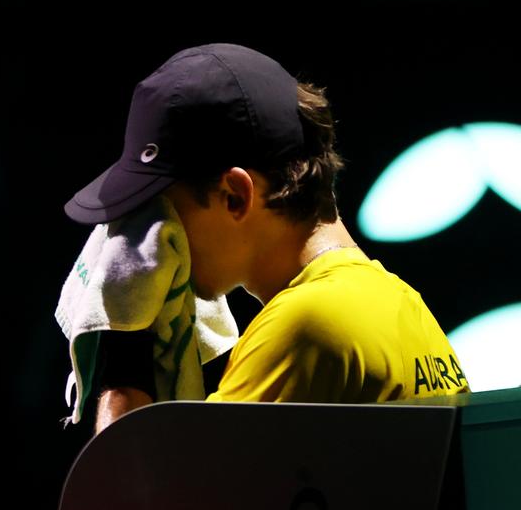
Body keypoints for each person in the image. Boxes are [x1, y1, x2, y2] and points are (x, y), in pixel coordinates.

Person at [62, 43, 470, 432]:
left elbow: (135, 498)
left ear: (235, 196)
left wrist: (122, 351)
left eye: (158, 212)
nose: (144, 241)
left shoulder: (305, 328)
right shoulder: (404, 306)